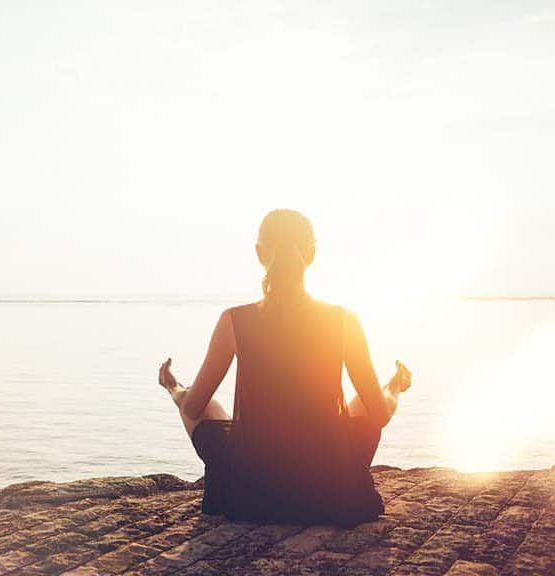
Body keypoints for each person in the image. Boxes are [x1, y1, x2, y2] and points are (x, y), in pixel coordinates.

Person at [158, 208, 412, 527]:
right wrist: (394, 387)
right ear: (312, 254)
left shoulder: (234, 320)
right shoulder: (344, 320)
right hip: (331, 488)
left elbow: (194, 408)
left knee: (198, 398)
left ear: (259, 253)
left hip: (253, 492)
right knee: (364, 403)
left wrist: (173, 387)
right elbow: (380, 413)